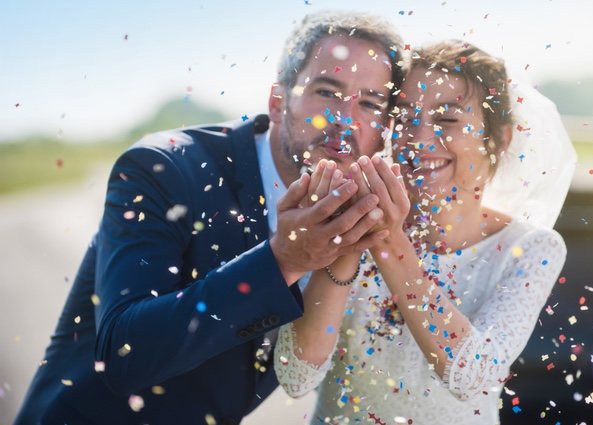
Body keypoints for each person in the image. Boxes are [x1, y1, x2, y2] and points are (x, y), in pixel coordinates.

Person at [14, 12, 405, 424]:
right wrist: (284, 260)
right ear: (278, 102)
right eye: (327, 91)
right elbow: (123, 353)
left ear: (386, 130)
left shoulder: (369, 210)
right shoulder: (162, 168)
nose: (346, 119)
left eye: (370, 103)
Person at [274, 40, 577, 424]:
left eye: (447, 119)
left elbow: (473, 375)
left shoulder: (532, 248)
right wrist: (354, 236)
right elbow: (296, 376)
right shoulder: (350, 221)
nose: (417, 140)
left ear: (500, 139)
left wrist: (387, 239)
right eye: (406, 118)